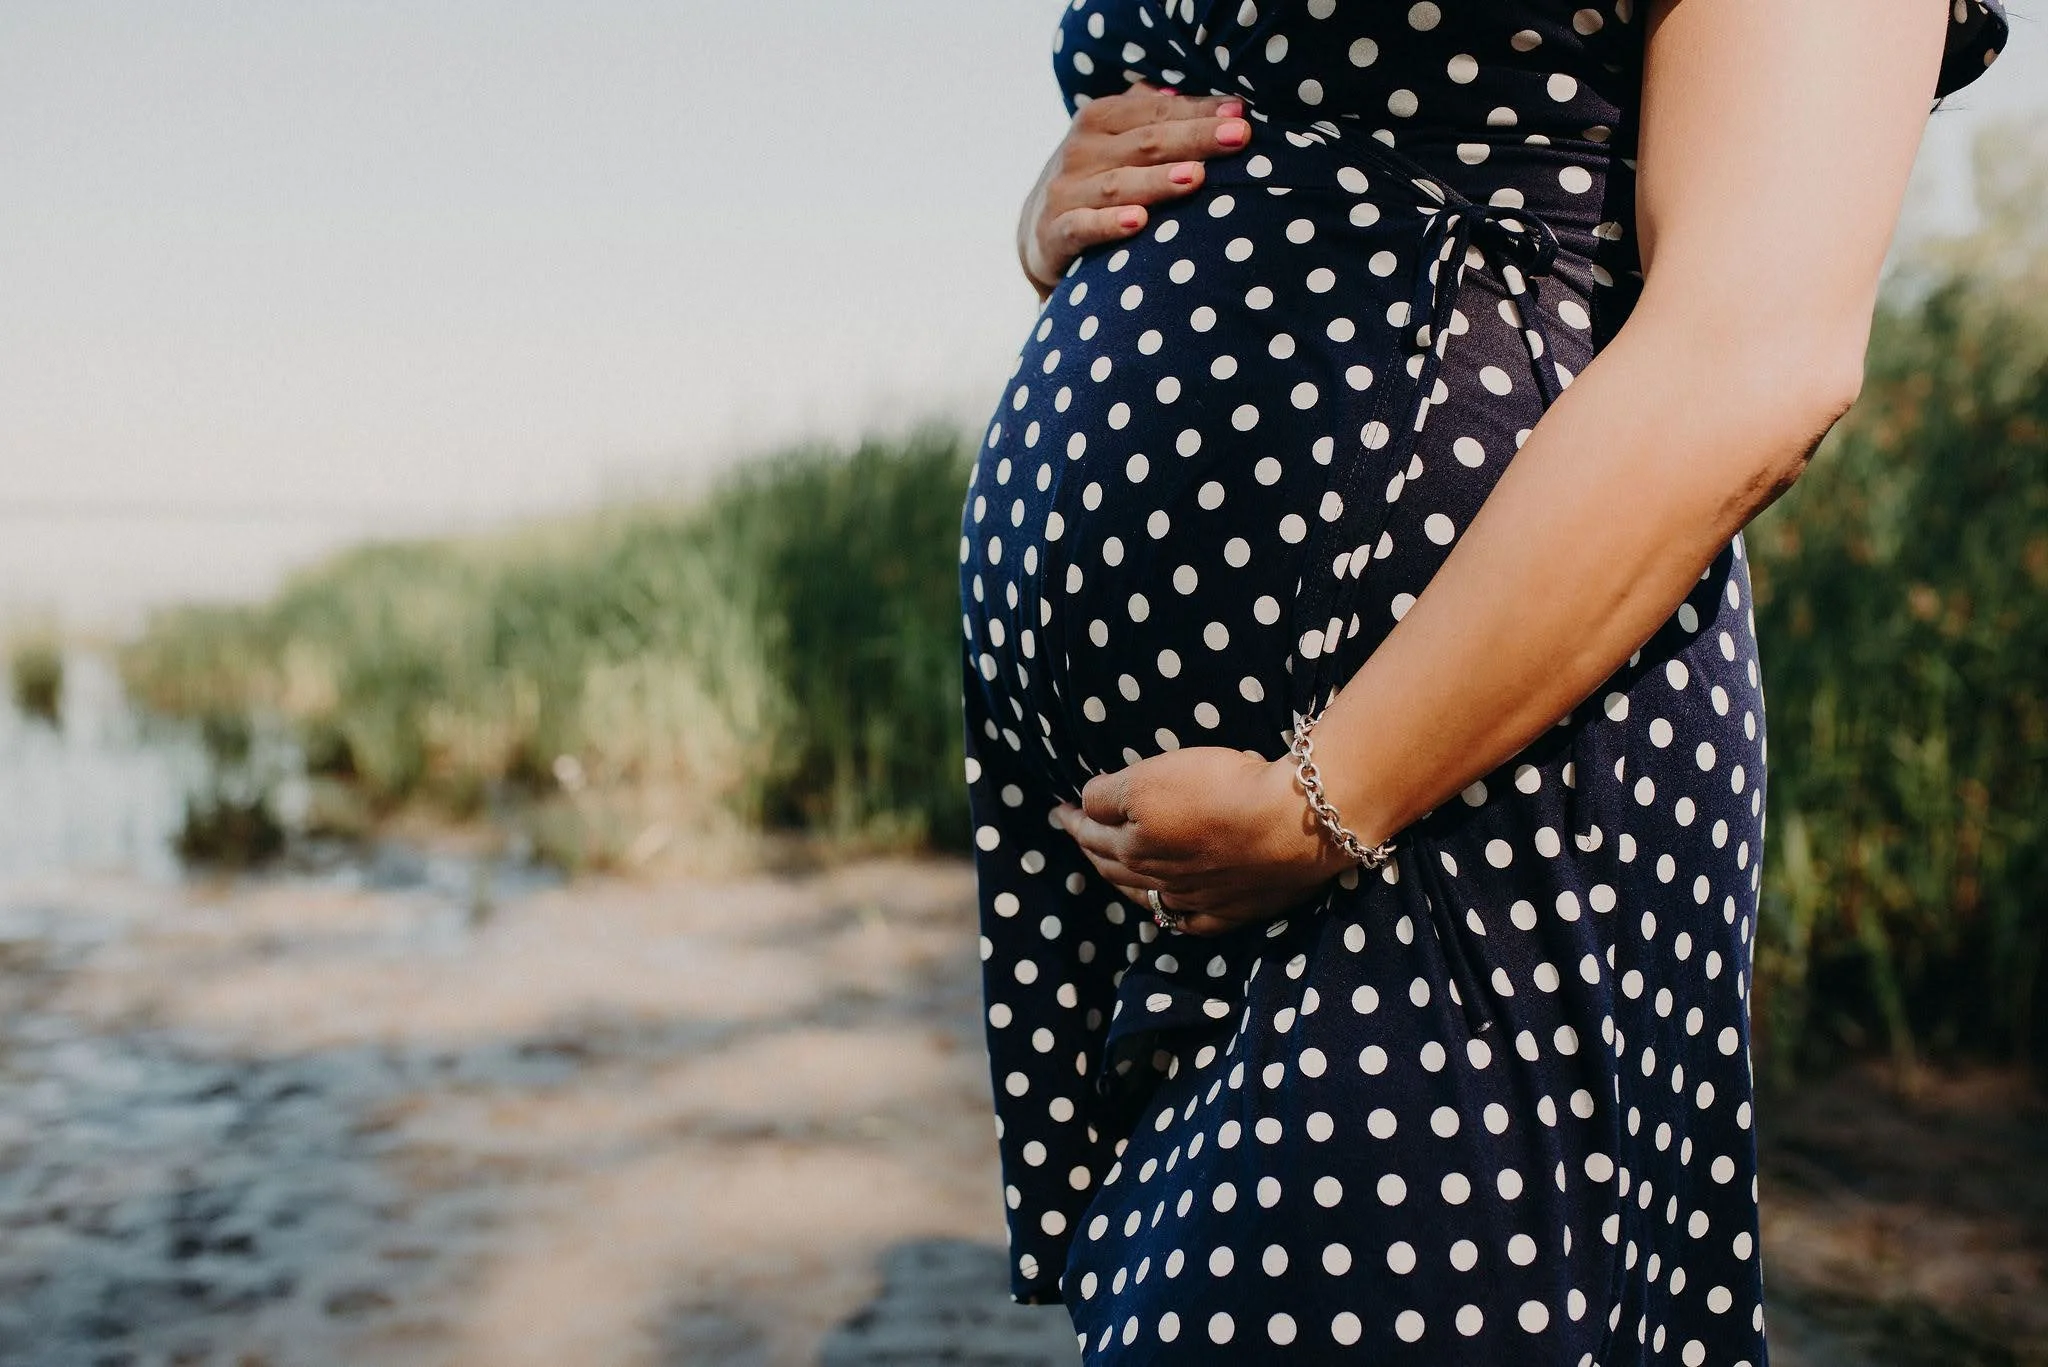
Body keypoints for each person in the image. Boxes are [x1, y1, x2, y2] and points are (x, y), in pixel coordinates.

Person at [958, 1, 2008, 1362]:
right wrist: (1064, 215)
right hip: (1214, 845)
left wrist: (1319, 804)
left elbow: (1758, 346)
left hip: (1461, 772)